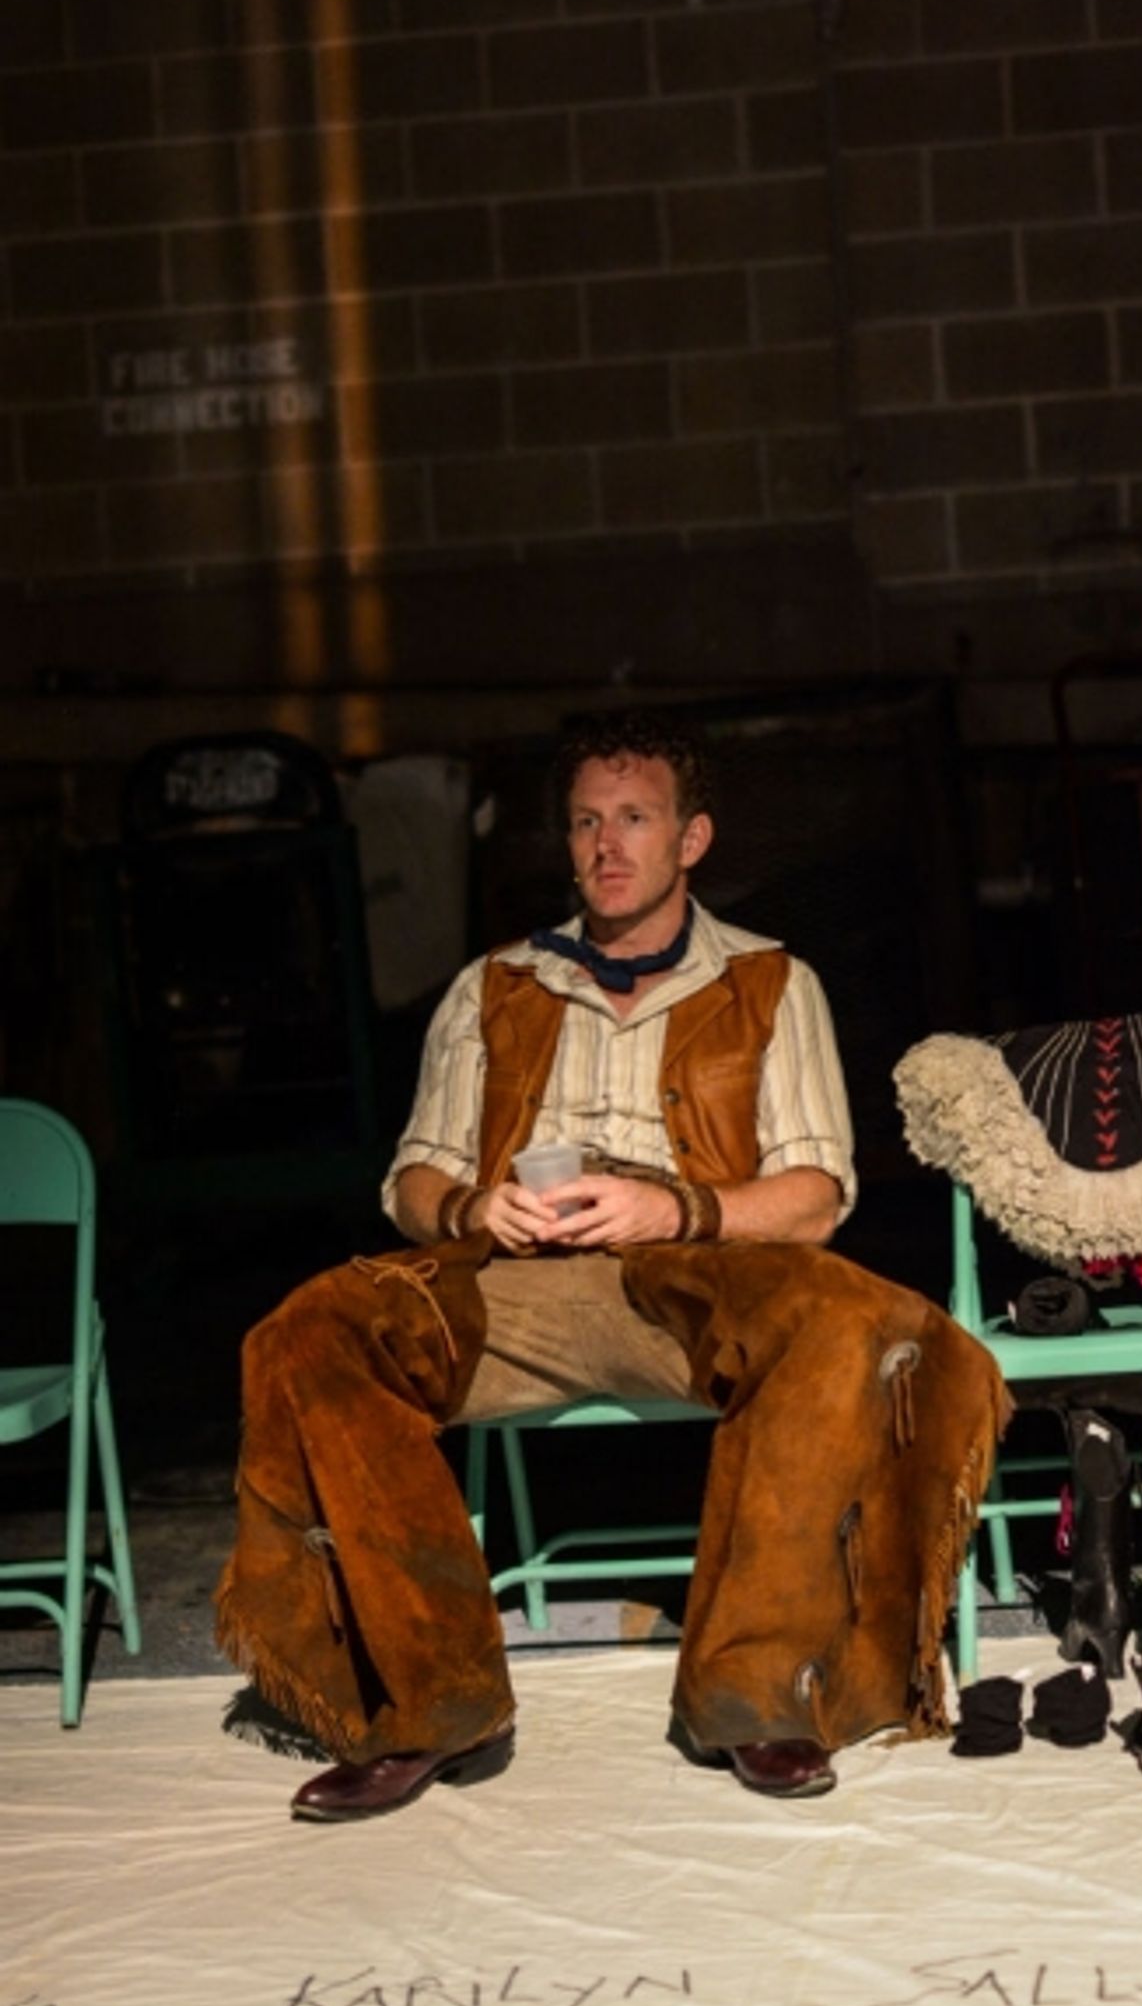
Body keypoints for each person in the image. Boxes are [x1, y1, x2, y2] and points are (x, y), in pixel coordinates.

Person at [216, 711, 1009, 1823]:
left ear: (691, 839)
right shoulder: (491, 985)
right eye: (587, 822)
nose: (606, 845)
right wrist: (470, 1203)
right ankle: (431, 1699)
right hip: (505, 1289)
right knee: (311, 1327)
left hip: (689, 1288)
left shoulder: (773, 981)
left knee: (843, 1318)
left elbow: (817, 1197)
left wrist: (671, 1206)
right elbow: (409, 1178)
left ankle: (755, 1695)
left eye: (633, 819)